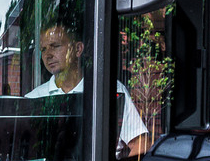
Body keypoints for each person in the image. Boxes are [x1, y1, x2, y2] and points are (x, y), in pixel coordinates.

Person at [26, 20, 148, 148]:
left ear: (78, 49)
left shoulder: (108, 91)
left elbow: (141, 143)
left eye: (55, 46)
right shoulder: (33, 99)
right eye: (43, 49)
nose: (48, 55)